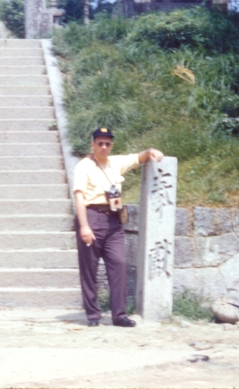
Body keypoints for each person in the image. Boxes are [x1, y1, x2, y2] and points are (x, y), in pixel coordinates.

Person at [72, 127, 164, 327]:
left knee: (119, 264)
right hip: (91, 216)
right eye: (100, 143)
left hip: (113, 220)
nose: (104, 147)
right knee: (89, 269)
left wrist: (150, 152)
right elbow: (79, 196)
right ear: (93, 144)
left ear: (111, 145)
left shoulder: (116, 163)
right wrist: (84, 226)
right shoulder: (84, 166)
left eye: (108, 144)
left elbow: (138, 158)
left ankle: (119, 315)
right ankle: (93, 315)